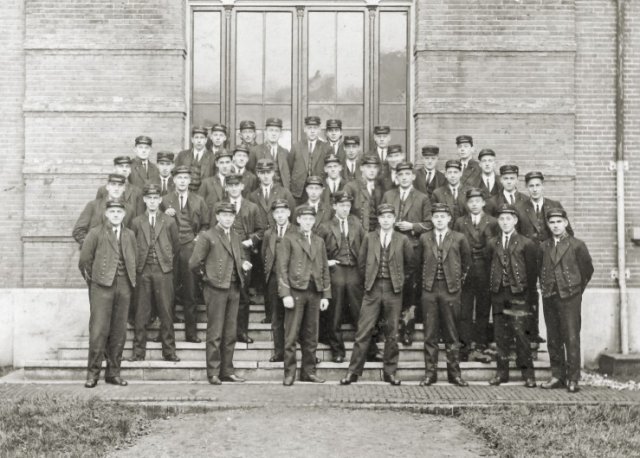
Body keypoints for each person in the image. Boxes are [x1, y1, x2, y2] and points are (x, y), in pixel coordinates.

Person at [340, 204, 416, 386]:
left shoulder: (402, 239)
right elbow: (361, 263)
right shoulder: (369, 237)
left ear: (394, 219)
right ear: (379, 220)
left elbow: (410, 265)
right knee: (363, 331)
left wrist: (398, 280)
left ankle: (390, 372)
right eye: (383, 217)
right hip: (372, 289)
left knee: (392, 332)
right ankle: (353, 372)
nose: (386, 220)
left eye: (389, 217)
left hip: (393, 290)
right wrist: (370, 281)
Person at [189, 202, 252, 385]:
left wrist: (243, 264)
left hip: (234, 288)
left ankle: (227, 371)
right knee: (215, 332)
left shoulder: (236, 236)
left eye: (231, 216)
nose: (228, 219)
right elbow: (194, 263)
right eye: (224, 215)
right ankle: (213, 372)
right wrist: (207, 278)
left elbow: (239, 257)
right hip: (215, 289)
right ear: (217, 217)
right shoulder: (207, 236)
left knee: (230, 333)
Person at [79, 201, 136, 388]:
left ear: (124, 214)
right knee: (98, 331)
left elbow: (134, 258)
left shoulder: (129, 235)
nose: (116, 214)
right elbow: (84, 261)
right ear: (106, 213)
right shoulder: (95, 233)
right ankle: (92, 375)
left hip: (124, 286)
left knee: (119, 332)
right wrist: (96, 281)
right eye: (112, 211)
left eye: (119, 211)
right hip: (101, 287)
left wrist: (129, 282)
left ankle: (113, 373)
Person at [539, 208, 593, 393]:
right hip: (549, 296)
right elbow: (539, 269)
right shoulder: (544, 246)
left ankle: (573, 378)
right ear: (548, 225)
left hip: (570, 297)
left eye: (559, 222)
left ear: (566, 223)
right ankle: (557, 376)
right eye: (552, 222)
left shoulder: (577, 245)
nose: (555, 226)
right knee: (553, 338)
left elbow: (587, 270)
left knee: (571, 337)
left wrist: (575, 290)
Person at [418, 203, 471, 386]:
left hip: (451, 291)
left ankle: (454, 374)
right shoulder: (424, 237)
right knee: (430, 334)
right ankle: (430, 374)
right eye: (436, 217)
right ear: (432, 219)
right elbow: (418, 263)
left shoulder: (459, 238)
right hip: (430, 290)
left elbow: (466, 263)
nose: (439, 220)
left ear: (449, 218)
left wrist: (456, 283)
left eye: (443, 216)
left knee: (452, 333)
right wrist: (426, 283)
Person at [277, 206, 331, 386]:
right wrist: (285, 294)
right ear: (298, 220)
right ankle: (289, 373)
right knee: (291, 335)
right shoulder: (289, 239)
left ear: (314, 221)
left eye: (311, 219)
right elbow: (282, 268)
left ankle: (309, 372)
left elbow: (324, 268)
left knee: (311, 335)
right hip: (296, 291)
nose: (308, 222)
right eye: (304, 219)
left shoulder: (319, 241)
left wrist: (325, 295)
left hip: (314, 292)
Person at [381, 161, 433, 346]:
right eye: (400, 175)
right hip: (391, 248)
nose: (404, 178)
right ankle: (390, 330)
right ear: (396, 177)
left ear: (413, 177)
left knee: (410, 289)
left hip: (413, 248)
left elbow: (430, 223)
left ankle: (407, 330)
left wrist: (412, 226)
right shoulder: (388, 195)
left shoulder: (422, 198)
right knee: (391, 288)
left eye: (407, 174)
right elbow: (381, 218)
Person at [487, 204, 538, 388]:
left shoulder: (526, 243)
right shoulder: (492, 243)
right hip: (499, 294)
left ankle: (528, 374)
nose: (505, 222)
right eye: (501, 219)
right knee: (500, 335)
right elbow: (489, 267)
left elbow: (532, 273)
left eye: (508, 218)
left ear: (515, 220)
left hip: (519, 295)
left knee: (521, 334)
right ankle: (502, 373)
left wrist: (529, 298)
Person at [517, 171, 569, 348]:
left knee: (552, 293)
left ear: (543, 186)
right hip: (527, 259)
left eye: (537, 185)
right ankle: (531, 335)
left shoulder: (554, 205)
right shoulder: (520, 208)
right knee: (529, 294)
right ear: (526, 187)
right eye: (531, 186)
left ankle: (555, 337)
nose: (534, 189)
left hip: (550, 259)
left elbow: (568, 233)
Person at [129, 184, 180, 362]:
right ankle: (138, 352)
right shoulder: (136, 222)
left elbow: (176, 246)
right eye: (149, 198)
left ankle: (169, 351)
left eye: (155, 198)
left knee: (166, 311)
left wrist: (165, 263)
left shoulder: (169, 221)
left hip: (163, 270)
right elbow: (132, 246)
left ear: (160, 200)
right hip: (143, 271)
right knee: (141, 312)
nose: (152, 201)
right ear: (144, 200)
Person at [161, 165, 210, 342]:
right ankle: (164, 334)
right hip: (170, 250)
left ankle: (191, 333)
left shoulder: (199, 200)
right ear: (173, 180)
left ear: (189, 181)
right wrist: (164, 214)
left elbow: (206, 225)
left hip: (190, 248)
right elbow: (156, 222)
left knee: (190, 291)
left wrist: (198, 239)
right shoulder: (165, 200)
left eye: (185, 178)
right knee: (168, 291)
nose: (182, 181)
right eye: (179, 178)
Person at [317, 191, 367, 363]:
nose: (345, 209)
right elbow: (316, 250)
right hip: (336, 269)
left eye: (348, 206)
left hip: (354, 269)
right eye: (342, 206)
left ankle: (368, 349)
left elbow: (365, 245)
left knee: (359, 310)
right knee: (335, 311)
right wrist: (327, 262)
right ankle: (337, 350)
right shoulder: (325, 226)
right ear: (334, 206)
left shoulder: (356, 224)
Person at [453, 188, 497, 363]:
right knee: (464, 310)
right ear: (467, 204)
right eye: (471, 202)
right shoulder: (460, 222)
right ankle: (465, 346)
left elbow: (496, 248)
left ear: (483, 203)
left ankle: (480, 345)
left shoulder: (493, 222)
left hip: (485, 271)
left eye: (478, 201)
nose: (474, 204)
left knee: (483, 310)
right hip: (466, 271)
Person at [223, 174, 267, 344]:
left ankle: (241, 332)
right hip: (225, 253)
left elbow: (261, 230)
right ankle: (226, 333)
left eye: (237, 185)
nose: (234, 188)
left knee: (243, 293)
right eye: (230, 185)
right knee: (225, 293)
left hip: (244, 254)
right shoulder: (220, 206)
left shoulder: (252, 207)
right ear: (226, 187)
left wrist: (251, 240)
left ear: (242, 186)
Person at [261, 199, 295, 360]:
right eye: (277, 213)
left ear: (288, 213)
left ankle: (298, 352)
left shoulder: (296, 231)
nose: (280, 215)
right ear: (273, 215)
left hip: (292, 279)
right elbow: (264, 255)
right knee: (277, 317)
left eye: (283, 212)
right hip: (274, 279)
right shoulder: (269, 234)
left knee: (295, 317)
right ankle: (279, 352)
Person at [74, 173, 135, 247]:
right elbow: (78, 230)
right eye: (113, 184)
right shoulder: (93, 206)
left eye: (120, 185)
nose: (116, 188)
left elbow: (131, 234)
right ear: (107, 187)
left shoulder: (129, 209)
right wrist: (91, 246)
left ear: (124, 188)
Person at [290, 116, 329, 203]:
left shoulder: (326, 147)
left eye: (315, 128)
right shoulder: (296, 147)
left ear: (319, 130)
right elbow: (290, 167)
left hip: (318, 189)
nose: (312, 131)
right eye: (309, 128)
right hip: (299, 191)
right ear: (305, 129)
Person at [248, 159, 296, 228]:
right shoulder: (253, 196)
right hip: (261, 233)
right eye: (262, 173)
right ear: (258, 174)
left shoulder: (284, 193)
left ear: (273, 173)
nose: (266, 176)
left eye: (268, 172)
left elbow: (293, 216)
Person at [247, 117, 292, 189]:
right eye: (271, 130)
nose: (273, 134)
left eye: (276, 131)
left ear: (280, 133)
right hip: (262, 191)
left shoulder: (285, 152)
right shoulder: (255, 151)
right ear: (265, 132)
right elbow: (250, 174)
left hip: (281, 191)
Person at [344, 155, 384, 232]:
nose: (372, 170)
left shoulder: (380, 189)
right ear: (361, 168)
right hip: (357, 232)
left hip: (376, 234)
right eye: (369, 167)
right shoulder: (351, 187)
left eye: (375, 167)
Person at [198, 150, 234, 221]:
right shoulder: (206, 183)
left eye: (227, 162)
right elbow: (199, 207)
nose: (225, 166)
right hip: (211, 223)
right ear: (216, 164)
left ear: (232, 163)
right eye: (221, 163)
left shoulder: (237, 184)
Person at [432, 159, 469, 223]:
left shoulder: (469, 192)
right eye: (449, 172)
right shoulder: (437, 193)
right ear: (445, 174)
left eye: (455, 172)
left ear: (461, 174)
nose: (452, 176)